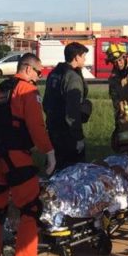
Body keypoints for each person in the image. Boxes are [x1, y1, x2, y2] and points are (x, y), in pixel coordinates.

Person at [0, 53, 58, 256]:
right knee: (30, 210)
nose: (39, 78)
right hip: (18, 159)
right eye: (39, 73)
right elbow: (36, 126)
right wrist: (49, 152)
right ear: (29, 69)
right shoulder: (28, 92)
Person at [43, 42, 92, 170]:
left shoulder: (54, 73)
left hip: (53, 130)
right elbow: (73, 111)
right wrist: (78, 137)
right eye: (83, 56)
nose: (85, 59)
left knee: (55, 170)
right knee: (73, 174)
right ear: (76, 57)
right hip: (68, 135)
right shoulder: (72, 77)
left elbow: (46, 103)